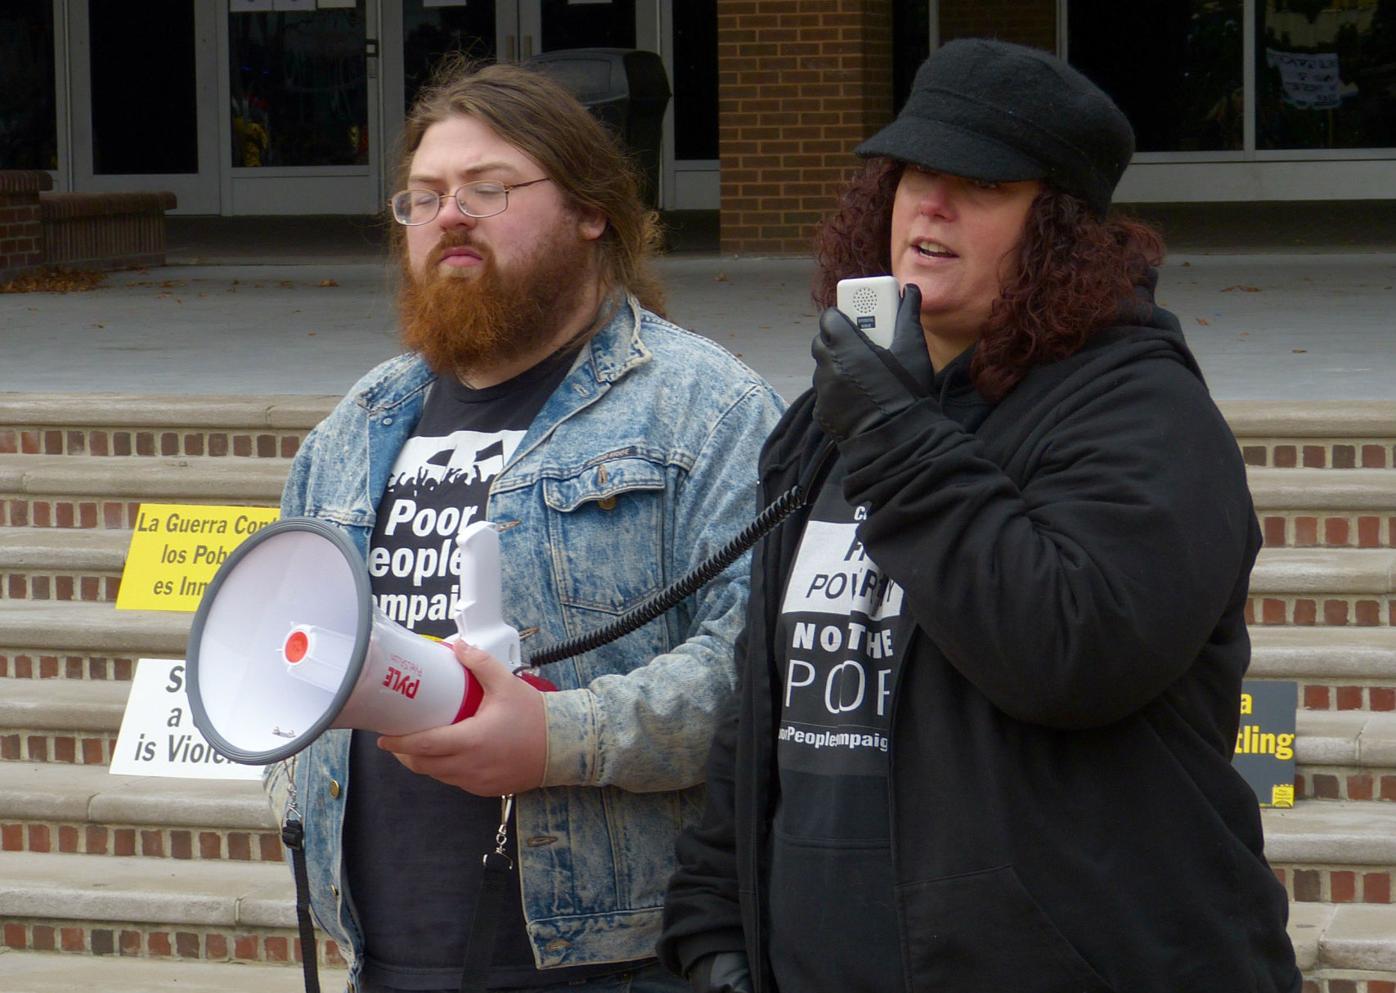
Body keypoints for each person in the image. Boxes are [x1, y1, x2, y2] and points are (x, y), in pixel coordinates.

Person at [660, 38, 1301, 993]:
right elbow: (771, 696)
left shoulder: (1144, 413)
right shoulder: (836, 421)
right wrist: (716, 921)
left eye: (983, 183)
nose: (931, 204)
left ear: (1061, 233)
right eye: (916, 171)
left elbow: (1069, 647)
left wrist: (897, 435)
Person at [264, 59, 785, 993]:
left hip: (615, 961)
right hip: (381, 957)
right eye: (423, 198)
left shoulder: (704, 409)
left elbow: (758, 666)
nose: (448, 214)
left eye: (487, 188)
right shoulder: (358, 423)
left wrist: (560, 735)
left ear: (594, 211)